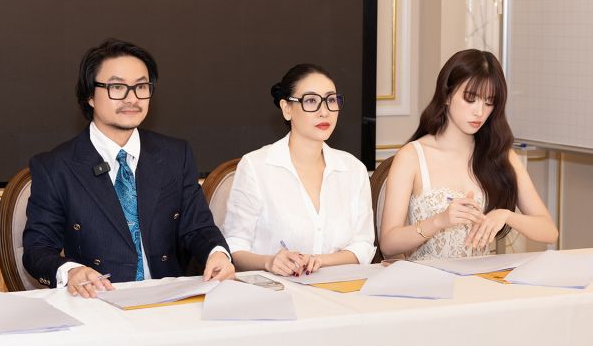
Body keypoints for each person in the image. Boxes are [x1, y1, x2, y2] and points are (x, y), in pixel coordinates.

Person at [23, 38, 234, 297]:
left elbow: (198, 227)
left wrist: (217, 253)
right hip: (98, 300)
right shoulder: (55, 167)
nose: (132, 98)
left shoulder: (174, 155)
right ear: (90, 95)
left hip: (169, 299)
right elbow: (37, 250)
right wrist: (71, 271)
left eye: (141, 87)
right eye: (117, 87)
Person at [379, 49, 558, 260]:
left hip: (480, 277)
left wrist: (507, 216)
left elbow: (549, 231)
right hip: (427, 278)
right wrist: (439, 221)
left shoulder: (499, 154)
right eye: (470, 98)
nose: (479, 112)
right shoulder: (412, 156)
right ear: (447, 95)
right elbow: (388, 244)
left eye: (489, 102)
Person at [223, 64, 376, 276]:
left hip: (339, 288)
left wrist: (319, 261)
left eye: (331, 100)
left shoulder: (354, 170)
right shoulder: (256, 166)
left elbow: (363, 245)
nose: (324, 112)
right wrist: (269, 262)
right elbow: (235, 244)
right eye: (311, 101)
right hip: (275, 289)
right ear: (287, 109)